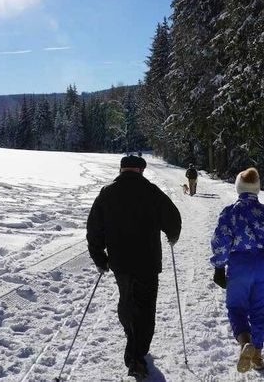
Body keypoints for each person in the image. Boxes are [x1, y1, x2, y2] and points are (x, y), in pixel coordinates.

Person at [87, 155, 182, 379]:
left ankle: (132, 341)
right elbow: (173, 218)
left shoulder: (107, 193)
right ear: (140, 170)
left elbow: (94, 229)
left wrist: (100, 258)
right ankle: (137, 354)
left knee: (127, 300)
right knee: (146, 307)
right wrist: (172, 236)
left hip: (120, 262)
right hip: (148, 262)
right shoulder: (151, 191)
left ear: (122, 170)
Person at [210, 167, 264, 373]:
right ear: (257, 189)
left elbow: (220, 241)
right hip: (263, 266)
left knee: (236, 307)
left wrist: (219, 266)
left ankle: (245, 342)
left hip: (239, 265)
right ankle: (257, 356)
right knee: (259, 310)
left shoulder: (230, 212)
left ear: (238, 187)